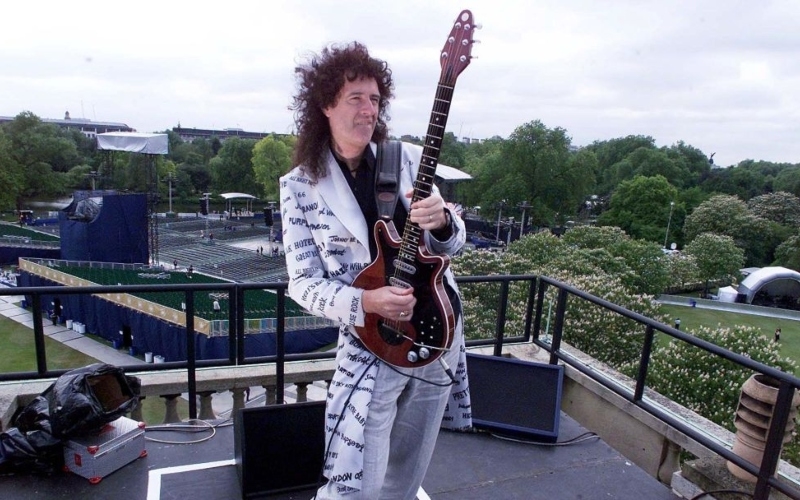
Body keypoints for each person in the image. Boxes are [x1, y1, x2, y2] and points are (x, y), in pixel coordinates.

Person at [280, 42, 471, 500]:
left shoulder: (403, 158)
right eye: (355, 99)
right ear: (325, 105)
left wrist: (443, 221)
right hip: (372, 340)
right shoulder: (299, 187)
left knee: (411, 461)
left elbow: (451, 243)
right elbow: (302, 283)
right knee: (357, 472)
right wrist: (366, 301)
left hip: (436, 330)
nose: (368, 110)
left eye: (375, 100)